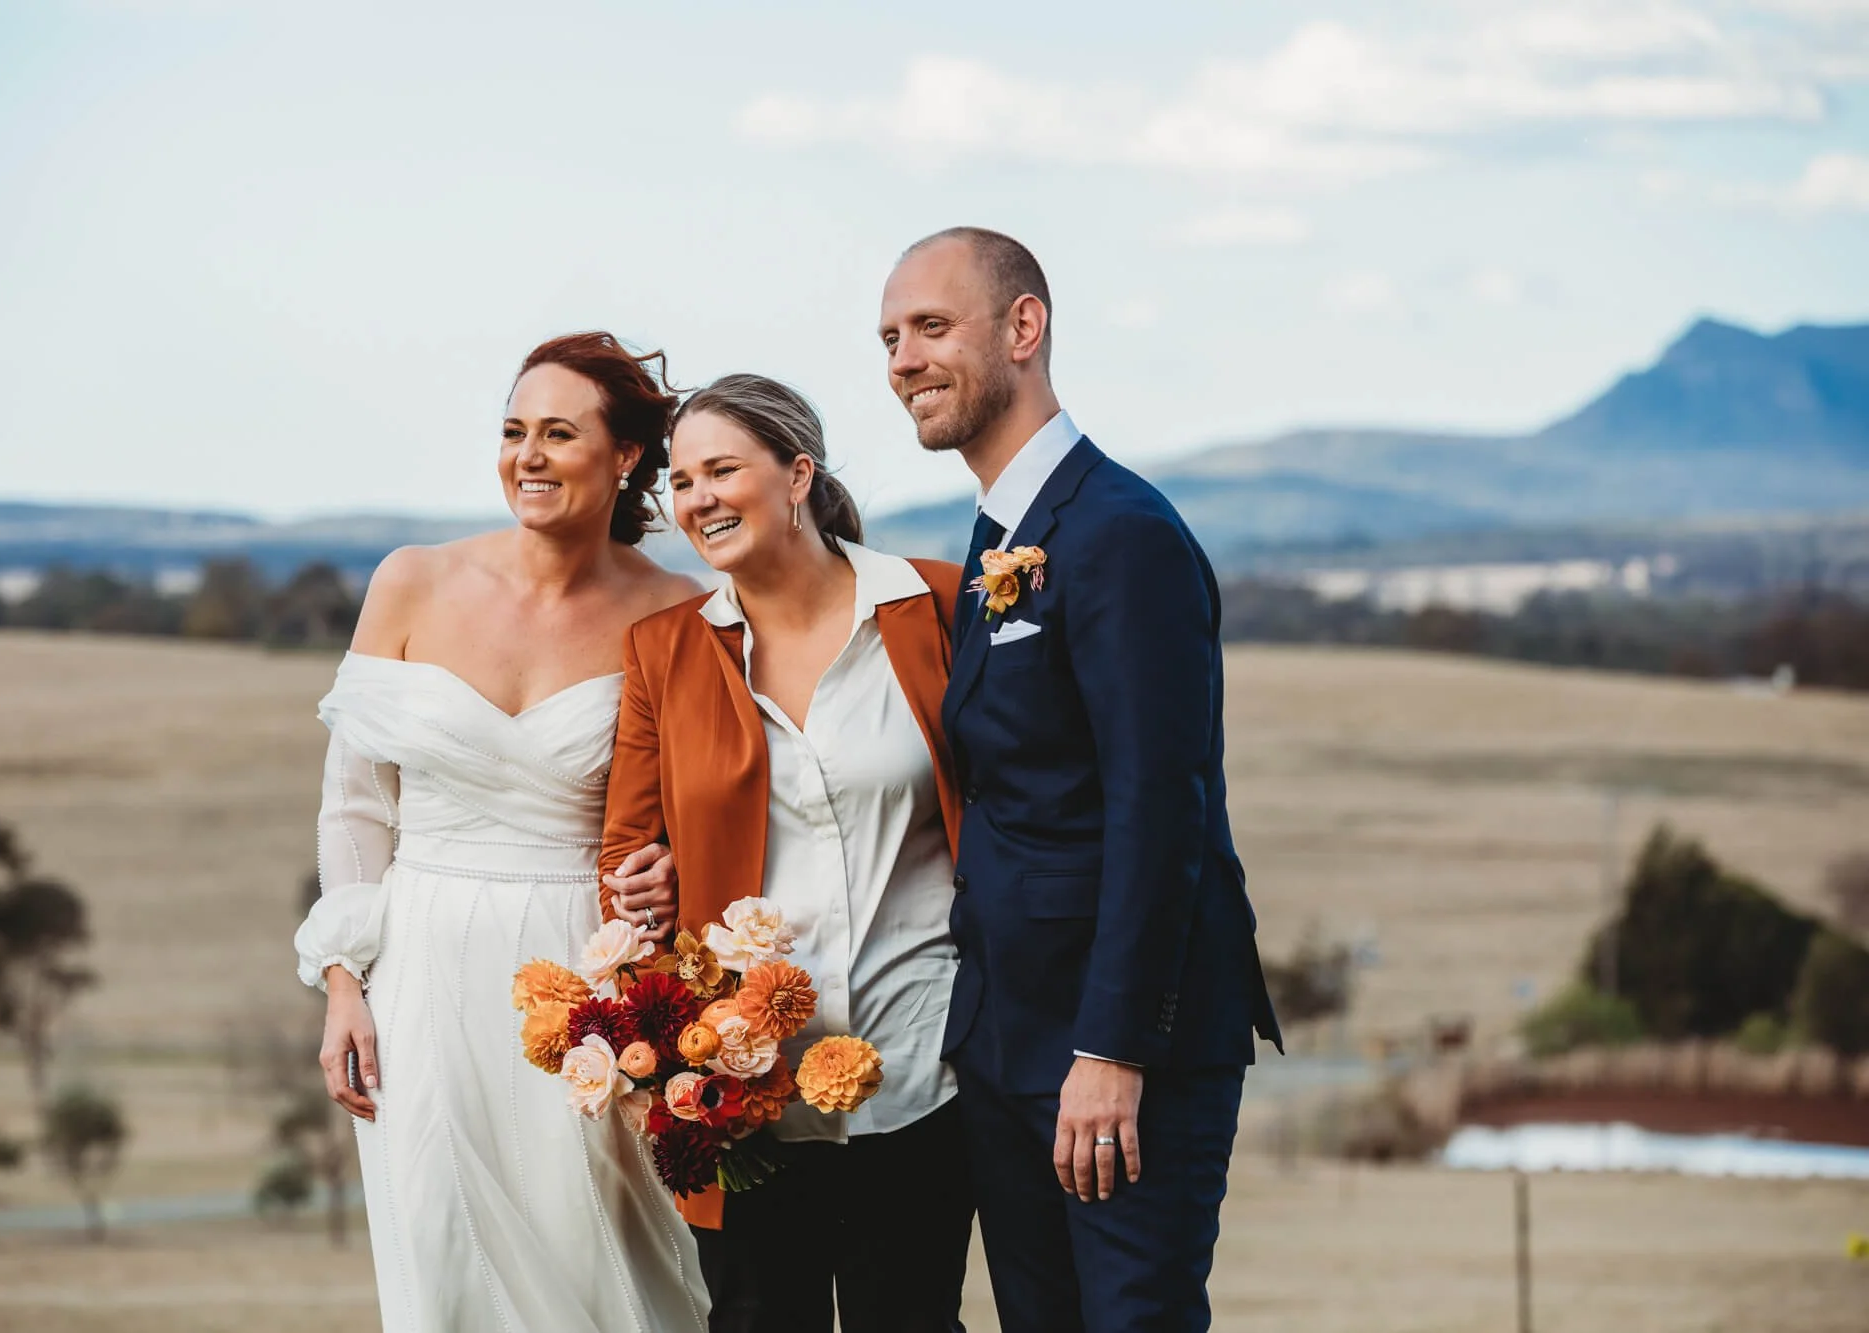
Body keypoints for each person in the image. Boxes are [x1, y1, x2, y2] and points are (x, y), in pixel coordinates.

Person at [878, 228, 1283, 1332]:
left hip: (1117, 1056)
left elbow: (1161, 811)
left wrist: (1112, 1049)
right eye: (888, 339)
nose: (903, 360)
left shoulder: (1121, 534)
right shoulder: (998, 537)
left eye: (929, 327)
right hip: (1010, 1044)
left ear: (1023, 328)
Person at [291, 332, 710, 1332]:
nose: (526, 454)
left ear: (623, 458)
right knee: (443, 1255)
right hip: (422, 969)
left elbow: (702, 799)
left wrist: (669, 871)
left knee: (601, 1261)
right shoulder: (411, 582)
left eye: (558, 433)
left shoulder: (682, 611)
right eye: (513, 430)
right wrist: (345, 981)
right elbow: (355, 802)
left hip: (587, 982)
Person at [601, 373, 975, 1332]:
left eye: (723, 469)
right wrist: (646, 880)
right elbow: (628, 849)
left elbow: (1013, 808)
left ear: (797, 473)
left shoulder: (936, 609)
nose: (699, 500)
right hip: (742, 1093)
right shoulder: (665, 652)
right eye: (682, 482)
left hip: (926, 1069)